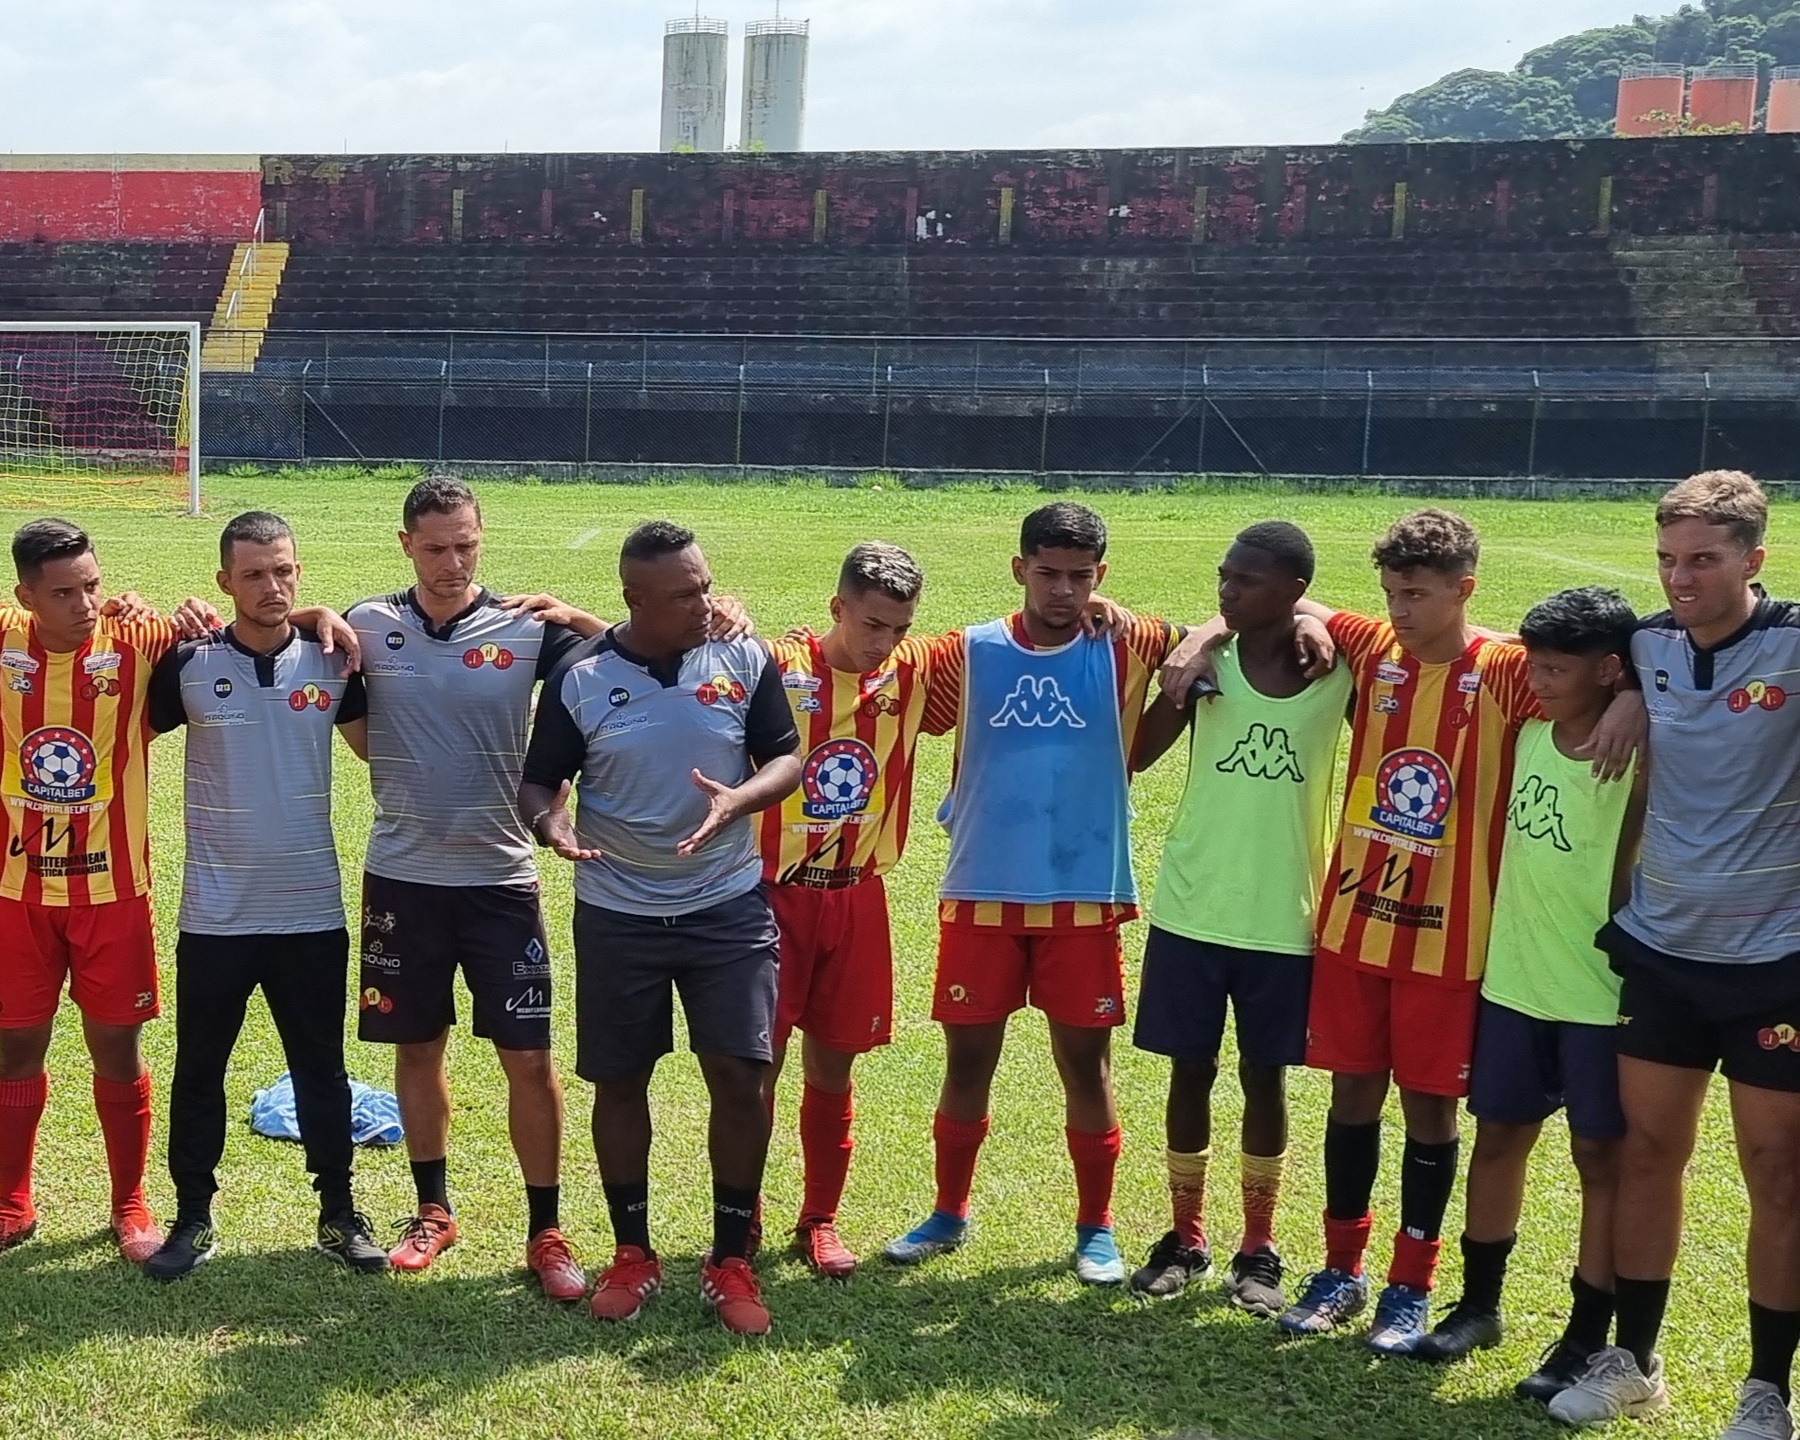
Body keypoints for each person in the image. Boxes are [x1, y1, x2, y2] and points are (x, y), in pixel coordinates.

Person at [1162, 507, 1637, 1353]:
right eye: (1389, 593)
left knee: (1429, 1112)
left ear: (1465, 591)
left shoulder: (1505, 673)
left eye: (1416, 595)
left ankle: (1409, 1286)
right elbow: (1287, 606)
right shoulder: (1372, 648)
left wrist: (1632, 693)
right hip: (1353, 931)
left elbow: (1597, 672)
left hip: (1449, 944)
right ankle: (1340, 1269)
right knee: (1351, 1098)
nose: (1400, 611)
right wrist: (1199, 637)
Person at [0, 519, 344, 1263]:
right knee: (15, 1044)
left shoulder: (143, 638)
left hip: (113, 893)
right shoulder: (4, 641)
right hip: (16, 892)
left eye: (92, 586)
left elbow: (251, 627)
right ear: (25, 596)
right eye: (62, 593)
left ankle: (130, 1204)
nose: (85, 604)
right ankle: (12, 1201)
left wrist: (314, 613)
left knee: (116, 1049)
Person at [1552, 472, 1800, 1440]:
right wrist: (1629, 704)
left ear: (1753, 559)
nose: (1681, 577)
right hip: (1661, 950)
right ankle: (1634, 1362)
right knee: (1648, 1152)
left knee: (1778, 1171)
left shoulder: (1793, 643)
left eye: (1703, 559)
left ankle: (1767, 1389)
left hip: (1777, 957)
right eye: (1667, 559)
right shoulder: (1645, 648)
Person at [883, 501, 1183, 1286]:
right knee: (966, 1061)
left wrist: (1203, 648)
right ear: (1019, 569)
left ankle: (1096, 1229)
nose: (1064, 591)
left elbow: (1214, 635)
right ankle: (948, 1212)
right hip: (981, 889)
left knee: (1086, 1067)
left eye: (1080, 577)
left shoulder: (1131, 641)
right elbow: (874, 672)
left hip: (1083, 894)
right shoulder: (969, 652)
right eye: (1048, 574)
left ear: (1101, 577)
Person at [519, 520, 801, 1336]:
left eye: (706, 584)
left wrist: (739, 798)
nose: (705, 603)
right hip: (619, 913)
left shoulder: (744, 657)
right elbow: (538, 783)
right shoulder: (582, 675)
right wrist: (553, 828)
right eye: (684, 595)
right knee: (620, 1079)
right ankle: (633, 1250)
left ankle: (728, 1256)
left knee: (741, 1076)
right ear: (636, 601)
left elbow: (785, 758)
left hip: (727, 905)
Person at [340, 474, 608, 1299]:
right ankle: (433, 1209)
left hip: (501, 879)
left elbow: (637, 656)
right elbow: (350, 719)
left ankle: (547, 1230)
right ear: (405, 545)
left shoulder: (531, 630)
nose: (453, 562)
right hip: (404, 877)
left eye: (467, 545)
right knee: (418, 1048)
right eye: (436, 548)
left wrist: (588, 619)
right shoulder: (366, 625)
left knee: (528, 1059)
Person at [1412, 587, 1643, 1403]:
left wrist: (1640, 699)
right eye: (1535, 665)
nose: (1537, 680)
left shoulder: (1643, 758)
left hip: (1599, 996)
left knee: (1598, 1161)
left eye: (1557, 670)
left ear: (1610, 671)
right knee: (1499, 1139)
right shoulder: (1529, 735)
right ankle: (1479, 1306)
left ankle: (1586, 1335)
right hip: (1513, 984)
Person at [143, 511, 388, 1279]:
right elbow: (118, 735)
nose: (273, 586)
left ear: (299, 570)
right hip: (215, 914)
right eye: (253, 574)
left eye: (284, 571)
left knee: (322, 1067)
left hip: (311, 909)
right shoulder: (185, 663)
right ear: (224, 584)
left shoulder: (332, 659)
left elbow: (383, 750)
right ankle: (191, 1215)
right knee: (199, 1067)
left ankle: (339, 1213)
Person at [1126, 521, 1349, 1317]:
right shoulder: (1207, 662)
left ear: (1290, 590)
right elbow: (1138, 756)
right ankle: (1186, 1236)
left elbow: (1355, 619)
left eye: (1246, 582)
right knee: (1190, 1070)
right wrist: (1185, 667)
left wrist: (1317, 620)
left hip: (1286, 913)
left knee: (1267, 1076)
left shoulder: (1337, 667)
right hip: (1194, 904)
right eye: (1223, 578)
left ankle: (1259, 1247)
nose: (1227, 591)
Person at [760, 542, 955, 1279]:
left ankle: (820, 1218)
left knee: (834, 1070)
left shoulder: (916, 669)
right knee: (758, 1069)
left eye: (900, 628)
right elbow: (679, 646)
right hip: (772, 896)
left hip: (855, 898)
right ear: (837, 607)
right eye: (872, 624)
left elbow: (1022, 634)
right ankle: (739, 1218)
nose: (884, 643)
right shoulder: (777, 667)